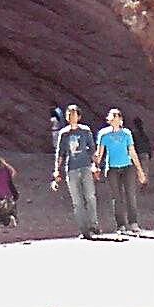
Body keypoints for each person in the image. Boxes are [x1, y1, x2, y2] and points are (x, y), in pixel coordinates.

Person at [51, 102, 99, 238]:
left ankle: (93, 224)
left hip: (85, 167)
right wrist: (56, 170)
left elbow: (92, 149)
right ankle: (84, 230)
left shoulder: (85, 131)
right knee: (77, 201)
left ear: (79, 116)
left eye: (74, 114)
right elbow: (60, 153)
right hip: (71, 169)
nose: (71, 117)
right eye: (69, 115)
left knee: (90, 196)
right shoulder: (64, 134)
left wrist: (95, 165)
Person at [95, 107, 146, 234]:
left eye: (117, 119)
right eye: (113, 119)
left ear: (121, 120)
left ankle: (133, 223)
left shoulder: (126, 133)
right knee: (117, 197)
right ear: (109, 120)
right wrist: (95, 165)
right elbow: (100, 152)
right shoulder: (104, 134)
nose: (115, 121)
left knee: (130, 195)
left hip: (127, 167)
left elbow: (132, 151)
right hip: (112, 168)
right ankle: (121, 225)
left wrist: (139, 170)